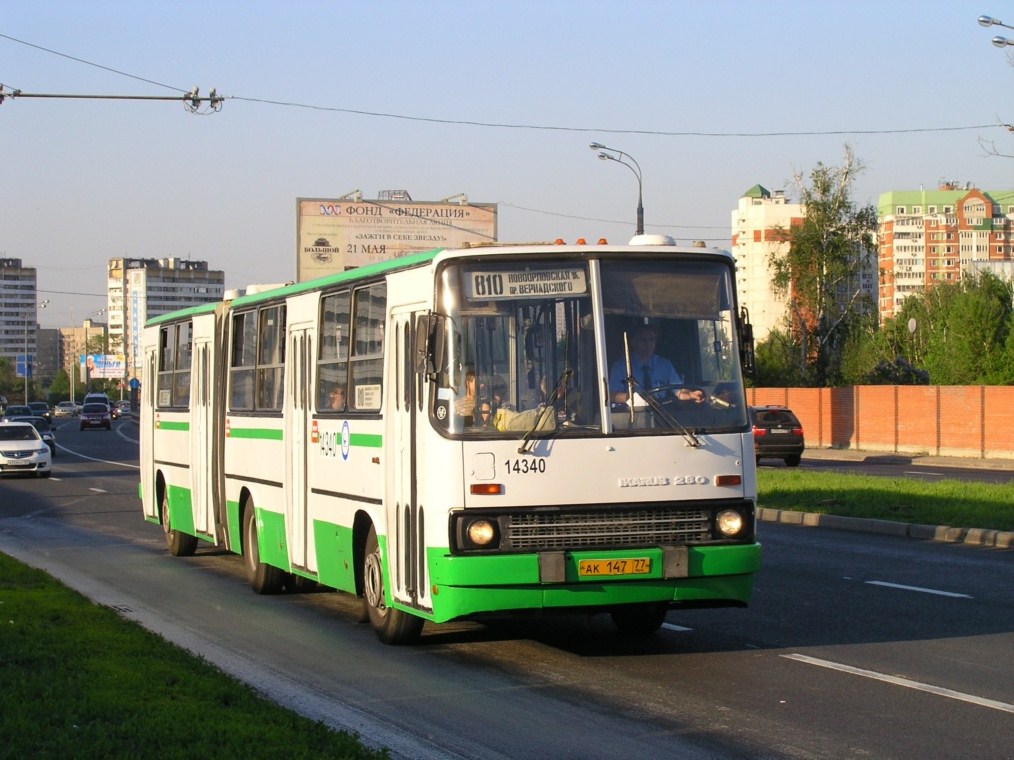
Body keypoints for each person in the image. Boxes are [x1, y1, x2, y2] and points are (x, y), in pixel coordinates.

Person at [609, 324, 704, 404]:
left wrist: (691, 394)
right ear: (633, 342)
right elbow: (612, 395)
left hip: (662, 417)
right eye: (643, 340)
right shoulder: (620, 367)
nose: (648, 344)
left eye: (651, 340)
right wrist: (634, 398)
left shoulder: (665, 365)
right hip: (632, 418)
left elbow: (679, 391)